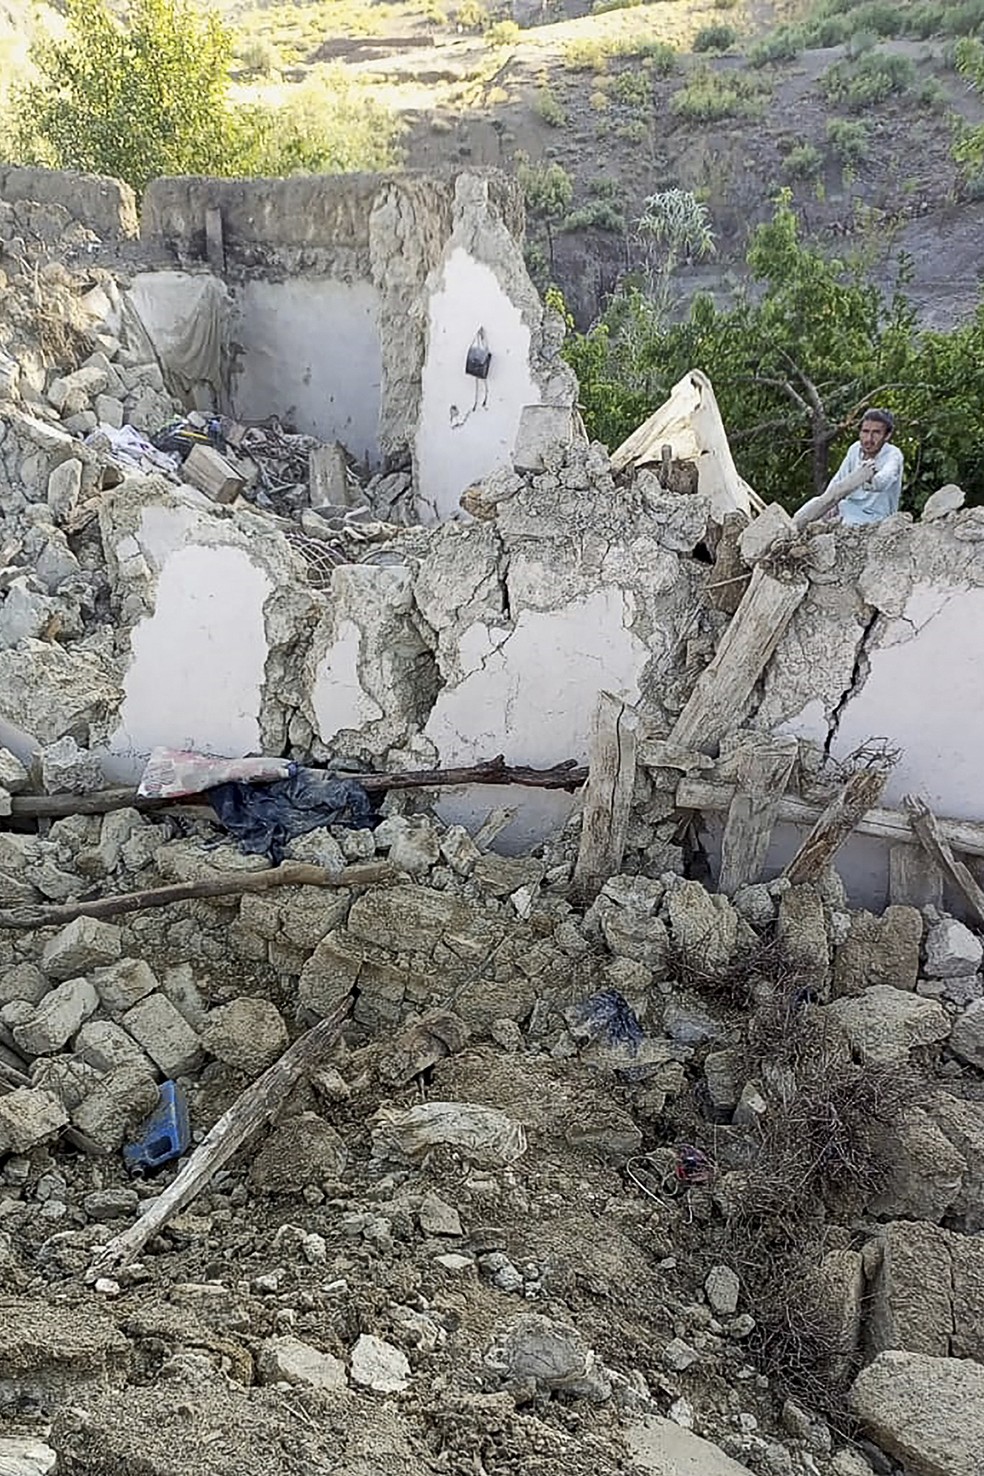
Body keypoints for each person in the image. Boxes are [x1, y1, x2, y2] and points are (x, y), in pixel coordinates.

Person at [825, 408, 904, 526]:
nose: (869, 439)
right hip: (847, 508)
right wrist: (828, 503)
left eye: (876, 433)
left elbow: (883, 481)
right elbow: (838, 480)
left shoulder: (893, 455)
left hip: (877, 518)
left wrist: (869, 476)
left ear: (887, 435)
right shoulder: (855, 449)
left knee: (847, 524)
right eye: (865, 431)